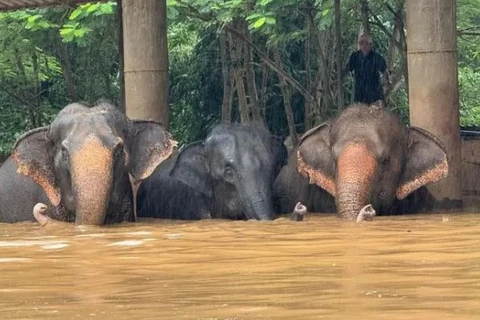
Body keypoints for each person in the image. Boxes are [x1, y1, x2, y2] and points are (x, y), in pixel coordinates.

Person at [344, 33, 389, 106]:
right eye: (361, 43)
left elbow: (385, 72)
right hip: (360, 94)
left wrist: (386, 85)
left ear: (371, 45)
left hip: (375, 94)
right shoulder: (354, 56)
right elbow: (348, 69)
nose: (364, 46)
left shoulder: (377, 57)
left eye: (366, 43)